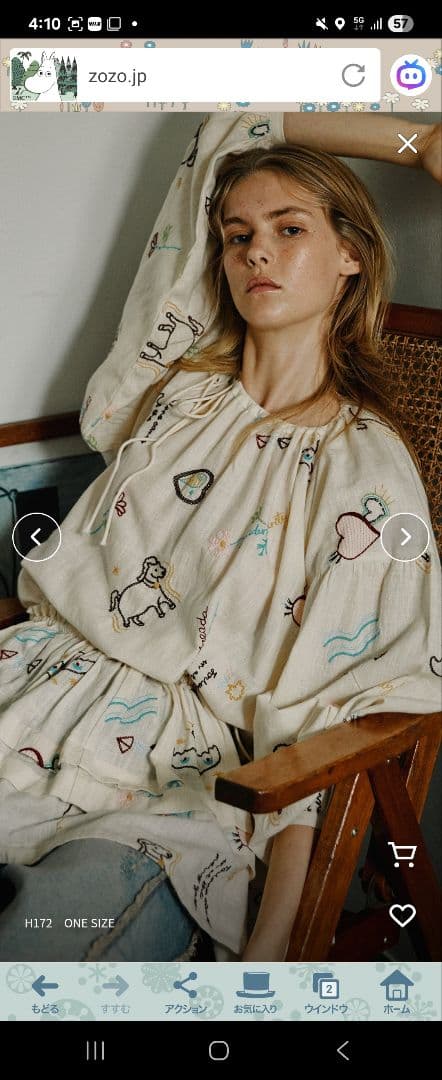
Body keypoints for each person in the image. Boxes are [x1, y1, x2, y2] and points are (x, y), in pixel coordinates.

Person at [0, 112, 440, 963]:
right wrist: (413, 143)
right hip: (31, 690)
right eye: (238, 236)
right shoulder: (173, 393)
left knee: (37, 951)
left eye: (289, 229)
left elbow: (334, 714)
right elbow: (226, 127)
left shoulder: (364, 471)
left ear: (351, 254)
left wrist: (277, 940)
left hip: (173, 782)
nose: (256, 252)